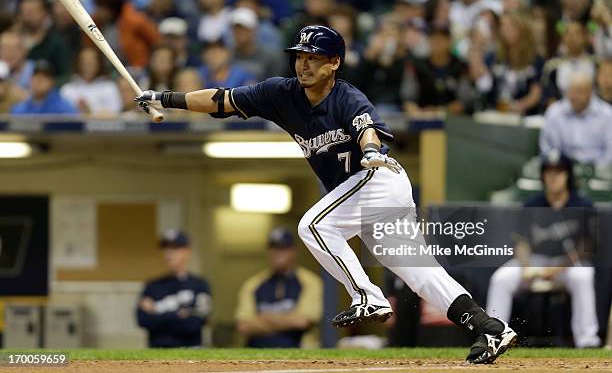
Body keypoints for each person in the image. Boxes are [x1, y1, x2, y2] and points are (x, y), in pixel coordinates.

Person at [136, 24, 517, 364]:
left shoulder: (347, 97)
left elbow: (368, 129)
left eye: (313, 58)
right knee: (420, 275)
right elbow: (221, 99)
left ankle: (367, 295)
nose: (303, 64)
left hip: (379, 180)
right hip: (362, 198)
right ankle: (491, 327)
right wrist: (166, 98)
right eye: (299, 57)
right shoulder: (279, 94)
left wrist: (369, 150)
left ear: (334, 62)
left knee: (313, 226)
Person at [487, 153, 601, 348]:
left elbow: (586, 245)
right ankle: (492, 338)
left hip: (568, 263)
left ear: (568, 176)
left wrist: (559, 268)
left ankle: (587, 340)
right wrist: (526, 266)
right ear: (542, 176)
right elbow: (521, 243)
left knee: (583, 276)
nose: (554, 177)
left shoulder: (582, 204)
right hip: (536, 260)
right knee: (501, 278)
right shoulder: (532, 204)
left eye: (559, 172)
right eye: (549, 172)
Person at [235, 228, 323, 348]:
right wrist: (287, 320)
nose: (278, 253)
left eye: (283, 249)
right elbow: (243, 326)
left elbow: (302, 322)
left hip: (298, 351)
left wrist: (264, 319)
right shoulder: (253, 284)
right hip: (256, 352)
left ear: (294, 251)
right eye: (274, 248)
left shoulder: (310, 281)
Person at [137, 229, 212, 348]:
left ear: (187, 251)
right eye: (166, 249)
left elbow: (196, 323)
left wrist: (157, 313)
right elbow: (143, 321)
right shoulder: (153, 285)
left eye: (175, 248)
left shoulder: (199, 285)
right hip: (158, 350)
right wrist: (178, 315)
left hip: (191, 350)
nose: (169, 253)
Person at [540, 72, 612, 165]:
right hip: (563, 169)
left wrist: (598, 169)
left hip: (597, 170)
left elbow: (609, 152)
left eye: (578, 92)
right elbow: (547, 146)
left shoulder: (607, 115)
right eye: (571, 91)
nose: (573, 96)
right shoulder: (555, 112)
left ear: (590, 92)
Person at [93, 0, 161, 69]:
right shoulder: (98, 23)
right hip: (108, 70)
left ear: (109, 9)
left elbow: (156, 41)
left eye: (100, 9)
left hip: (136, 68)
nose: (97, 12)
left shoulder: (135, 21)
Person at [60, 47, 122, 115]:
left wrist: (91, 112)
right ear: (78, 63)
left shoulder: (110, 88)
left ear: (99, 64)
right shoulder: (67, 89)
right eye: (84, 61)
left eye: (91, 61)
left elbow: (116, 113)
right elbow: (62, 115)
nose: (88, 64)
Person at [229, 7, 284, 81]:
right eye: (236, 29)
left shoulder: (270, 56)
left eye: (244, 29)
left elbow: (277, 84)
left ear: (254, 30)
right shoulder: (228, 55)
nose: (239, 33)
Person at [11, 60, 77, 115]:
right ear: (30, 80)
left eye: (44, 77)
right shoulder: (20, 109)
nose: (39, 81)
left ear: (52, 82)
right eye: (36, 77)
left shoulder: (63, 108)